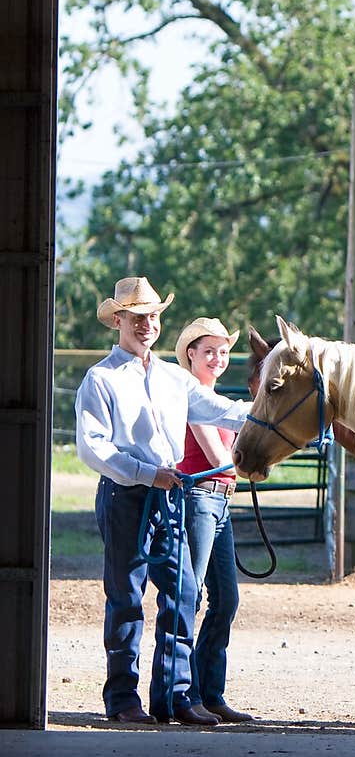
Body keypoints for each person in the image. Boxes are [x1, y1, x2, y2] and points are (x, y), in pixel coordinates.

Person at [74, 276, 251, 726]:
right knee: (127, 596)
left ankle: (173, 697)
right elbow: (93, 447)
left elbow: (223, 409)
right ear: (118, 320)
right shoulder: (101, 379)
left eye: (152, 317)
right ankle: (123, 700)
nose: (146, 325)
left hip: (167, 496)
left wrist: (279, 413)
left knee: (183, 591)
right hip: (127, 496)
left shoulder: (175, 379)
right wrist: (146, 473)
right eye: (136, 318)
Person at [174, 316, 253, 723]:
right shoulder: (193, 398)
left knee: (225, 598)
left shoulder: (218, 401)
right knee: (195, 594)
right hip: (201, 497)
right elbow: (219, 457)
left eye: (223, 352)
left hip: (220, 501)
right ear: (191, 354)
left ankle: (210, 691)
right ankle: (186, 693)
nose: (218, 358)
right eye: (209, 351)